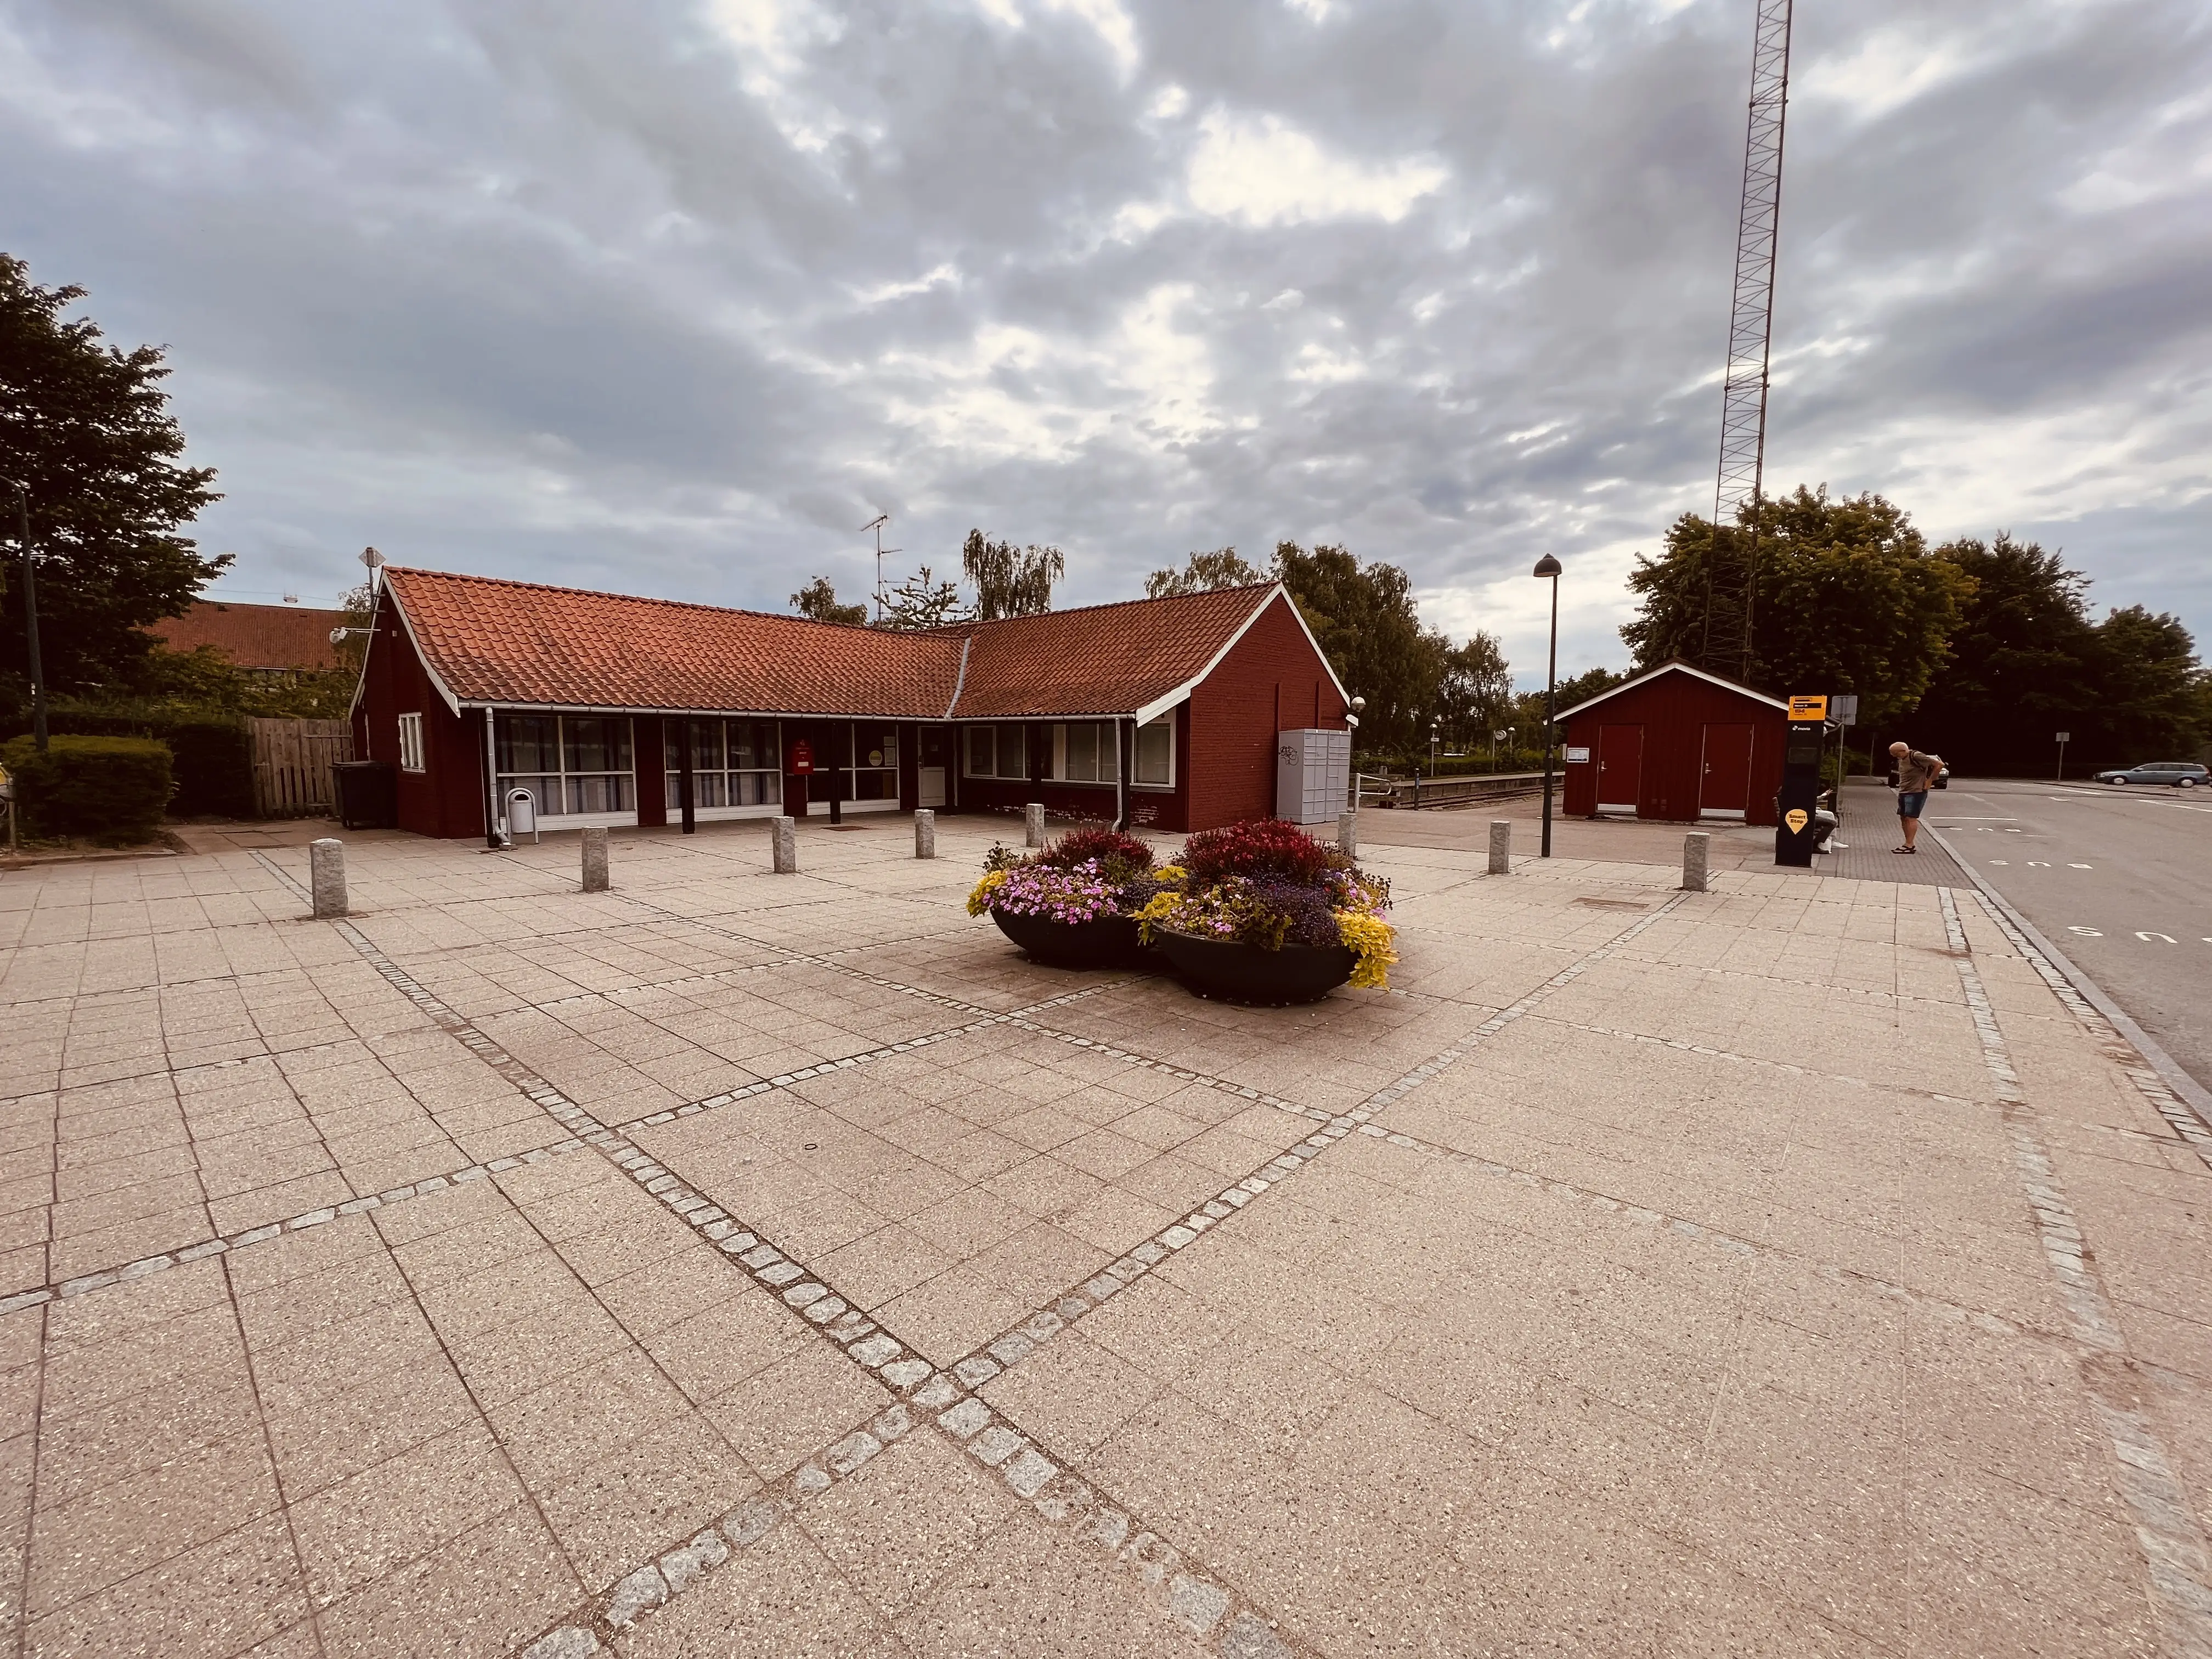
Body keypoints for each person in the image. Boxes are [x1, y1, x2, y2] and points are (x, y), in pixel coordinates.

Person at [1889, 740, 1943, 853]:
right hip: (1904, 791)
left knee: (1911, 817)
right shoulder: (1903, 759)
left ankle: (1909, 845)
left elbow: (1939, 765)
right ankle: (1908, 843)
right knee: (1903, 817)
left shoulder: (1916, 756)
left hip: (1916, 792)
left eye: (1896, 754)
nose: (1894, 756)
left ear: (1903, 751)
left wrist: (1930, 781)